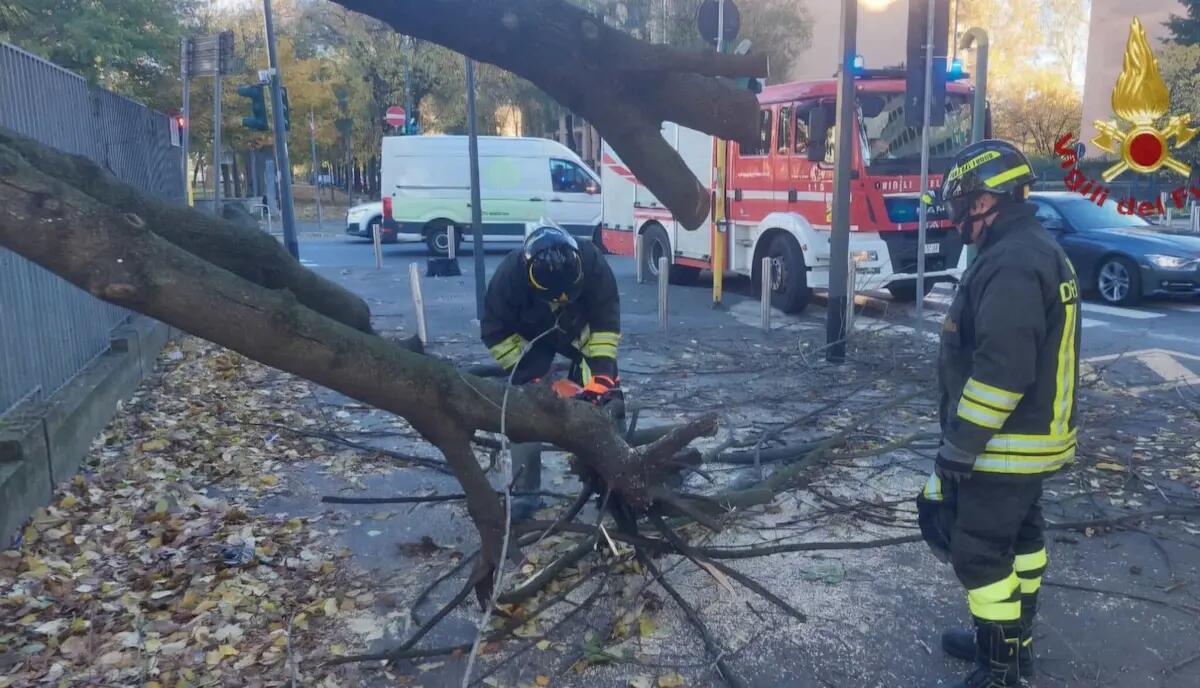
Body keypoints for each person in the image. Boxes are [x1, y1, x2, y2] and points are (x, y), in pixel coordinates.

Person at [917, 140, 1081, 688]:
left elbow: (1001, 373)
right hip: (1030, 443)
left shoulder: (1012, 262)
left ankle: (999, 668)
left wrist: (957, 449)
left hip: (1002, 446)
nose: (957, 216)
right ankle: (1017, 644)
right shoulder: (1028, 250)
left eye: (961, 203)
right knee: (1023, 541)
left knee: (980, 553)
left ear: (988, 200)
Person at [481, 223, 622, 519]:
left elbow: (606, 322)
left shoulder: (592, 262)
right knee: (525, 416)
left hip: (579, 331)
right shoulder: (509, 278)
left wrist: (602, 376)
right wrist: (535, 379)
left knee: (609, 403)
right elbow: (494, 333)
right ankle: (525, 496)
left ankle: (616, 483)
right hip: (531, 340)